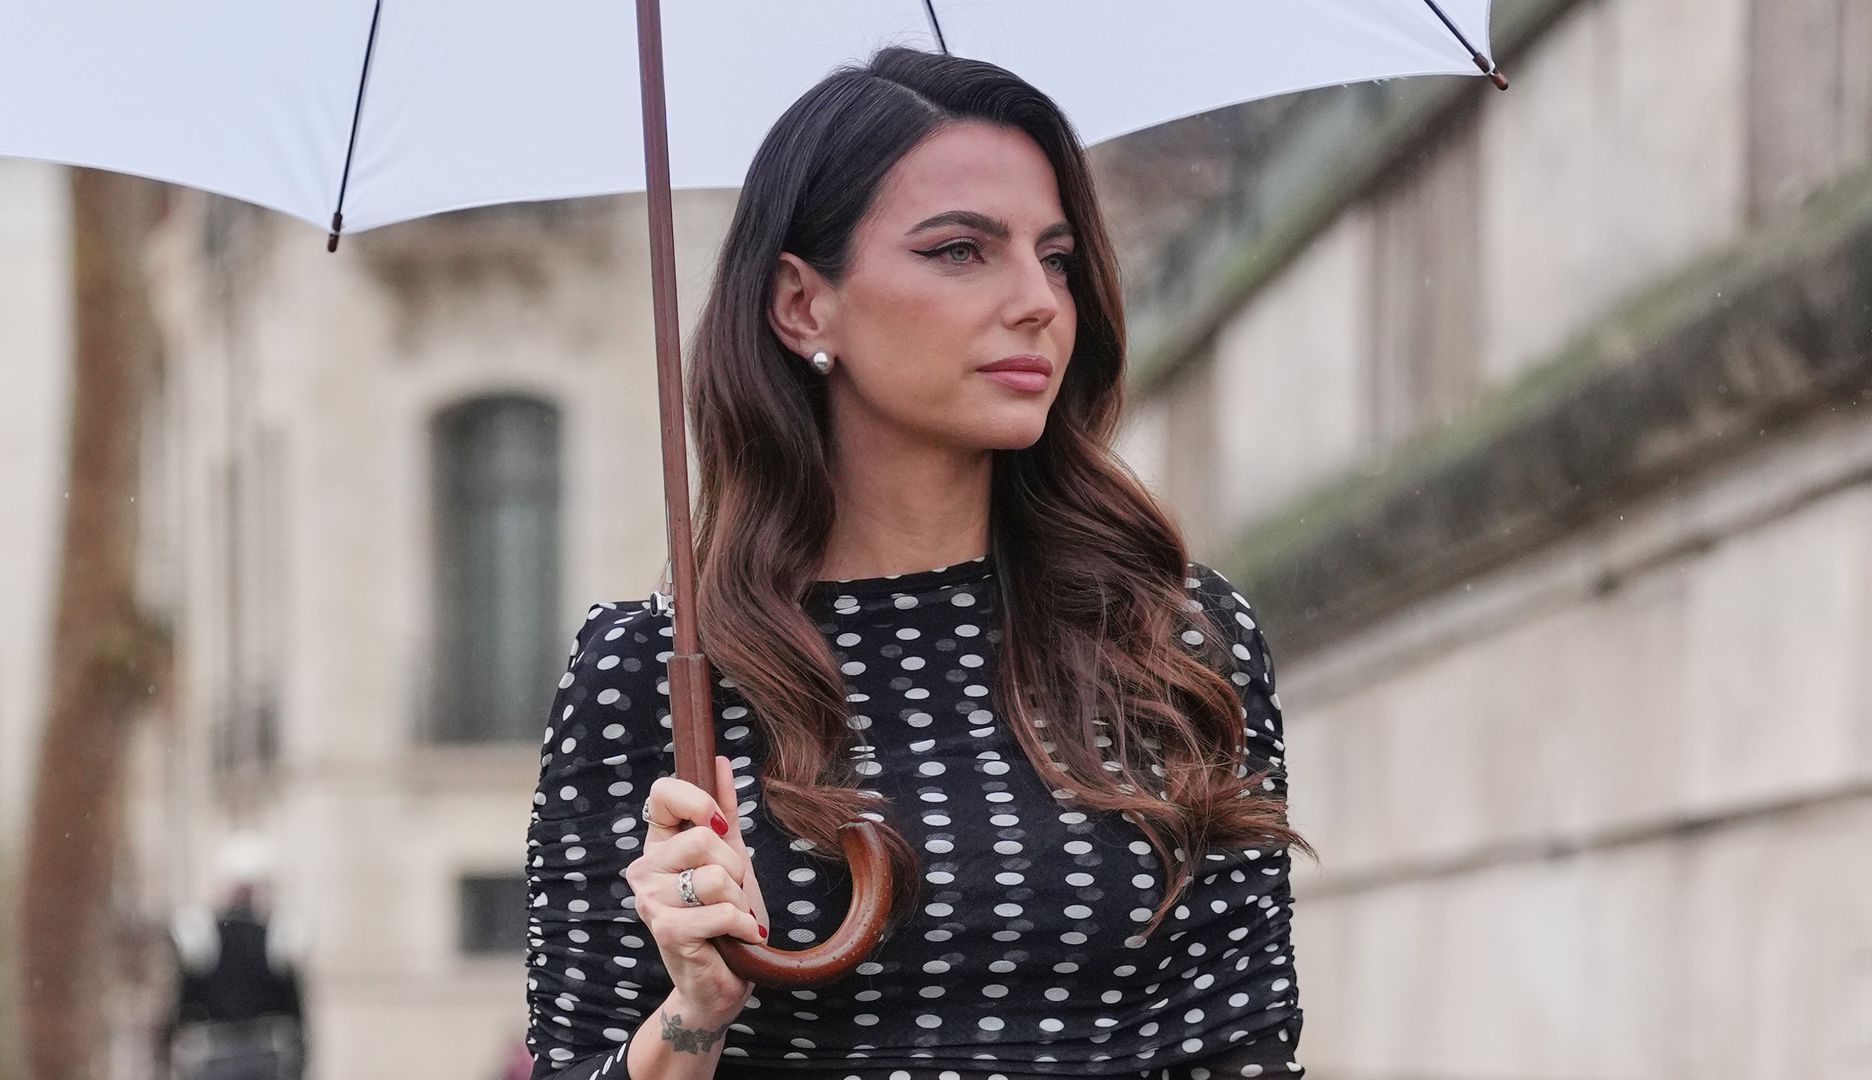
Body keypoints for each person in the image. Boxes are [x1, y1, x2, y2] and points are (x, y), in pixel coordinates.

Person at [523, 45, 1314, 1080]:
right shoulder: (652, 675)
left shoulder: (1173, 641)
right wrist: (694, 1015)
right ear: (804, 305)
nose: (1039, 299)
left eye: (1058, 257)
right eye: (960, 251)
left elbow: (1243, 1052)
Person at [160, 834, 308, 1080]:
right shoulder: (278, 935)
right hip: (245, 1058)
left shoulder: (200, 934)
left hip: (235, 1058)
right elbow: (296, 1014)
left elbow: (179, 1009)